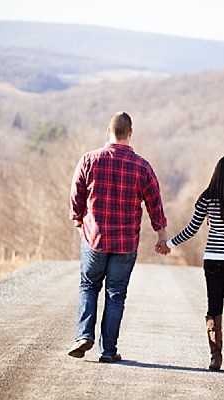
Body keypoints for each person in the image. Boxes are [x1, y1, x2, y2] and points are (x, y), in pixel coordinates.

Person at [68, 111, 168, 363]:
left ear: (108, 130)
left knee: (89, 285)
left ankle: (84, 336)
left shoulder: (89, 160)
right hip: (125, 242)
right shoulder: (142, 166)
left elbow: (76, 197)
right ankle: (108, 351)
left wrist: (80, 222)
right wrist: (161, 235)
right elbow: (154, 203)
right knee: (115, 294)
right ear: (130, 133)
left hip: (95, 238)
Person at [157, 155, 224, 370]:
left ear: (217, 174)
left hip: (213, 260)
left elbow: (192, 229)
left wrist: (169, 243)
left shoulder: (208, 198)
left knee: (214, 306)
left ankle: (215, 358)